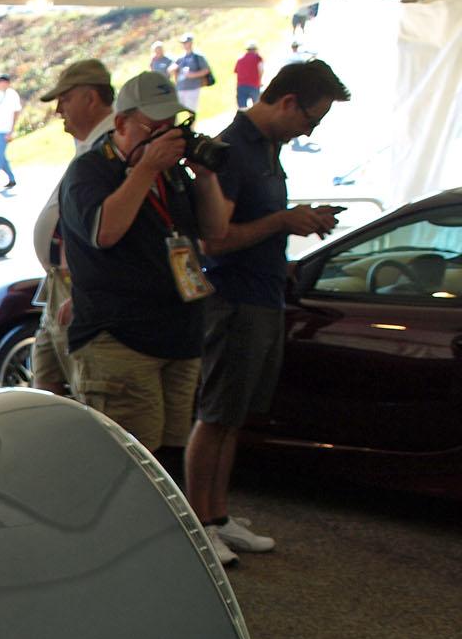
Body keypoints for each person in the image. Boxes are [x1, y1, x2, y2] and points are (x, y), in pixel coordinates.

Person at [187, 60, 350, 564]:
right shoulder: (230, 150)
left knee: (234, 417)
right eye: (311, 119)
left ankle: (218, 515)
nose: (310, 131)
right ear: (288, 102)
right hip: (232, 299)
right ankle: (198, 524)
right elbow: (214, 240)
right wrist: (282, 221)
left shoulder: (268, 149)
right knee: (215, 415)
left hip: (262, 296)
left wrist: (297, 222)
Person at [57, 71, 230, 466]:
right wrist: (146, 169)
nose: (166, 137)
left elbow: (216, 231)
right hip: (121, 338)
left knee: (167, 463)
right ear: (121, 124)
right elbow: (105, 232)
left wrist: (206, 176)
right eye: (155, 128)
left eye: (174, 126)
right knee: (131, 466)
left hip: (179, 336)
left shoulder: (172, 173)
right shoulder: (90, 171)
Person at [29, 60, 117, 397]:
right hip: (61, 283)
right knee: (46, 377)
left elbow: (104, 229)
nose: (58, 110)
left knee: (84, 384)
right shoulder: (92, 146)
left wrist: (82, 285)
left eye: (64, 100)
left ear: (90, 99)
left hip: (78, 284)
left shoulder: (108, 149)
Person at [173, 34, 211, 114]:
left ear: (190, 43)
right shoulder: (180, 58)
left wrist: (193, 75)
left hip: (192, 87)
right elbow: (173, 69)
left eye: (186, 42)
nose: (184, 45)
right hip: (180, 88)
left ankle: (192, 122)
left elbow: (206, 70)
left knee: (191, 109)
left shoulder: (197, 56)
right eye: (183, 43)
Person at [235, 43, 264, 110]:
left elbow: (237, 71)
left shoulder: (240, 59)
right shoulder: (258, 58)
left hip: (241, 85)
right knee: (256, 107)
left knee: (242, 108)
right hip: (254, 85)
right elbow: (261, 70)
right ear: (255, 50)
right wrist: (260, 82)